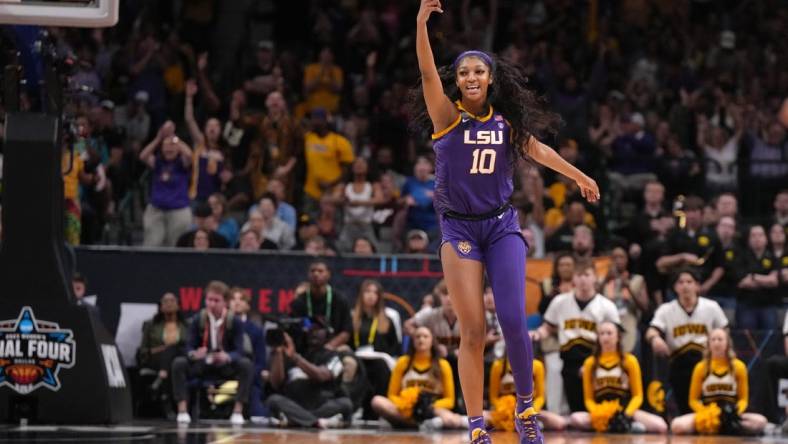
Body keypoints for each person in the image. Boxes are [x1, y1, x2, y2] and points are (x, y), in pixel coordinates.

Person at [411, 1, 600, 442]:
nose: (471, 78)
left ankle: (525, 411)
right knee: (473, 329)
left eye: (478, 72)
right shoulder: (446, 117)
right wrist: (421, 23)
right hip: (458, 229)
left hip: (500, 227)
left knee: (515, 320)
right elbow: (424, 74)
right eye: (463, 73)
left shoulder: (504, 123)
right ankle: (477, 427)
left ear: (490, 78)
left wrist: (580, 177)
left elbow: (541, 151)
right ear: (456, 82)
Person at [531, 261, 620, 414]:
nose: (583, 279)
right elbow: (548, 327)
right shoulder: (559, 302)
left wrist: (598, 362)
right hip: (569, 360)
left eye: (587, 275)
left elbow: (615, 336)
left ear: (595, 278)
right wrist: (537, 334)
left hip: (595, 361)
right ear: (573, 279)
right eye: (579, 275)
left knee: (595, 410)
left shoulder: (606, 306)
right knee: (575, 411)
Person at [644, 269, 729, 415]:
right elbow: (651, 330)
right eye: (680, 282)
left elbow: (725, 330)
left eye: (689, 282)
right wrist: (656, 339)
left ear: (697, 285)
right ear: (675, 287)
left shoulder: (711, 306)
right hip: (679, 363)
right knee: (686, 410)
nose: (685, 286)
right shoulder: (666, 309)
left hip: (706, 361)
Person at [170, 281, 253, 425]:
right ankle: (182, 411)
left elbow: (239, 350)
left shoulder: (234, 321)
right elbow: (188, 346)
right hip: (203, 363)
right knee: (179, 363)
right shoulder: (198, 319)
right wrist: (194, 354)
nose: (212, 304)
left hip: (225, 365)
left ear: (225, 302)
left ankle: (238, 411)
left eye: (216, 300)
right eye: (209, 300)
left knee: (246, 365)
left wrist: (228, 356)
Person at [569, 321, 667, 434]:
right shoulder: (590, 363)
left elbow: (638, 396)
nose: (605, 337)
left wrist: (626, 414)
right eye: (601, 334)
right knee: (575, 418)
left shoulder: (629, 361)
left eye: (609, 333)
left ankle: (624, 424)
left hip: (626, 410)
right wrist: (598, 413)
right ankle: (622, 427)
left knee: (661, 425)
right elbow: (588, 399)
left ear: (618, 337)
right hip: (600, 412)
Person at [671, 328, 768, 435]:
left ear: (727, 343)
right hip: (707, 414)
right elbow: (693, 400)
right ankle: (714, 428)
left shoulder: (739, 367)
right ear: (708, 344)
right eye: (713, 340)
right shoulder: (700, 367)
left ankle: (727, 426)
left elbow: (743, 400)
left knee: (761, 422)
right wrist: (706, 413)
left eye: (720, 339)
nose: (716, 343)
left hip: (731, 413)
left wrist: (735, 412)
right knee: (677, 425)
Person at [370, 326, 467, 431]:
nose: (421, 339)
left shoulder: (443, 365)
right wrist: (407, 404)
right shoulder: (403, 362)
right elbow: (392, 395)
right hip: (406, 409)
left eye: (425, 336)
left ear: (432, 341)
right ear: (413, 341)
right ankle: (424, 424)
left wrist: (428, 406)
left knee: (451, 420)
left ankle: (413, 423)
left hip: (431, 409)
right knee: (377, 401)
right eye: (417, 337)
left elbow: (450, 400)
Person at [489, 354, 567, 431]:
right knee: (483, 416)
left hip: (529, 408)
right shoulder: (498, 366)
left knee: (559, 422)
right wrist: (504, 408)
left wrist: (532, 409)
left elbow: (540, 397)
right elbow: (493, 397)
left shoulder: (537, 366)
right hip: (505, 410)